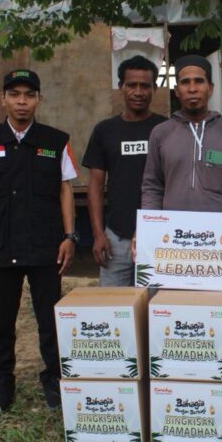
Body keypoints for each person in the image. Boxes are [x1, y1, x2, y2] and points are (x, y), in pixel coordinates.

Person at [0, 69, 79, 411]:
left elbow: (65, 190)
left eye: (29, 94)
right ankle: (3, 384)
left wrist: (69, 236)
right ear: (3, 99)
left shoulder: (56, 142)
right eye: (14, 94)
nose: (22, 101)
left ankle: (54, 379)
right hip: (0, 246)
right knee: (3, 321)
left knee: (50, 319)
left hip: (46, 246)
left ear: (39, 99)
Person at [140, 54, 222, 261]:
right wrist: (149, 230)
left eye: (199, 81)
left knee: (221, 286)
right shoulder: (161, 133)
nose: (192, 88)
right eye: (185, 82)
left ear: (210, 88)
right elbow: (152, 186)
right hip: (173, 239)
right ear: (177, 90)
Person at [83, 55, 167, 286]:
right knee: (115, 305)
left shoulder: (166, 129)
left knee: (156, 305)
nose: (138, 92)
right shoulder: (104, 131)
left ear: (154, 88)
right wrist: (99, 234)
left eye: (145, 86)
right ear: (121, 86)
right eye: (132, 85)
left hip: (159, 237)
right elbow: (95, 186)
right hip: (116, 238)